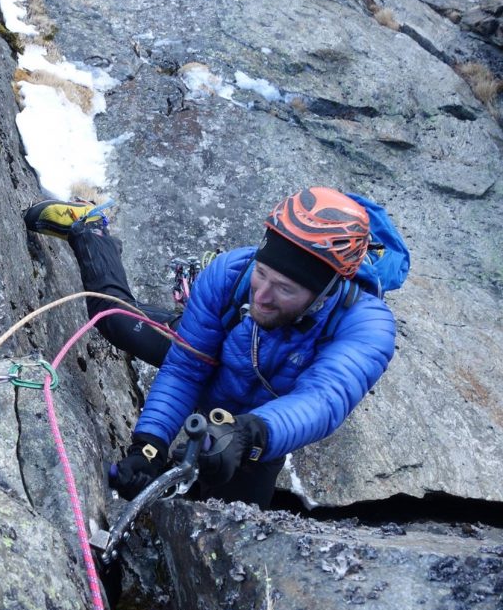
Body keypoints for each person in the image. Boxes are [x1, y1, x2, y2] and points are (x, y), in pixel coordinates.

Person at [24, 187, 396, 509]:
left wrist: (250, 435)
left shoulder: (366, 326)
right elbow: (186, 368)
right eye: (262, 275)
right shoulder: (233, 273)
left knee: (235, 523)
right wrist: (150, 445)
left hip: (260, 427)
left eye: (284, 288)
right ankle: (90, 230)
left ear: (325, 290)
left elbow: (323, 400)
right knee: (113, 317)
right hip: (215, 352)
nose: (262, 298)